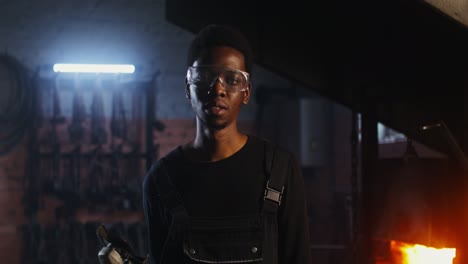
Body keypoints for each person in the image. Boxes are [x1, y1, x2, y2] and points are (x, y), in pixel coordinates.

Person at [142, 24, 312, 264]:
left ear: (246, 91)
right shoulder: (161, 180)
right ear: (188, 88)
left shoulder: (280, 172)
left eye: (232, 79)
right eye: (205, 77)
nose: (218, 89)